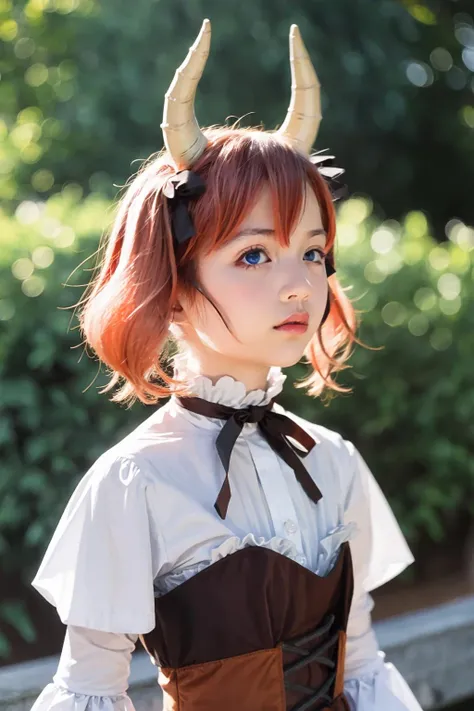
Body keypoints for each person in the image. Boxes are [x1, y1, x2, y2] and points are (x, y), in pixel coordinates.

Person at [30, 19, 423, 711]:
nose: (301, 283)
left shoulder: (334, 461)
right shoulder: (136, 481)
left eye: (311, 251)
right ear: (173, 287)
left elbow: (361, 665)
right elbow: (89, 692)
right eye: (252, 255)